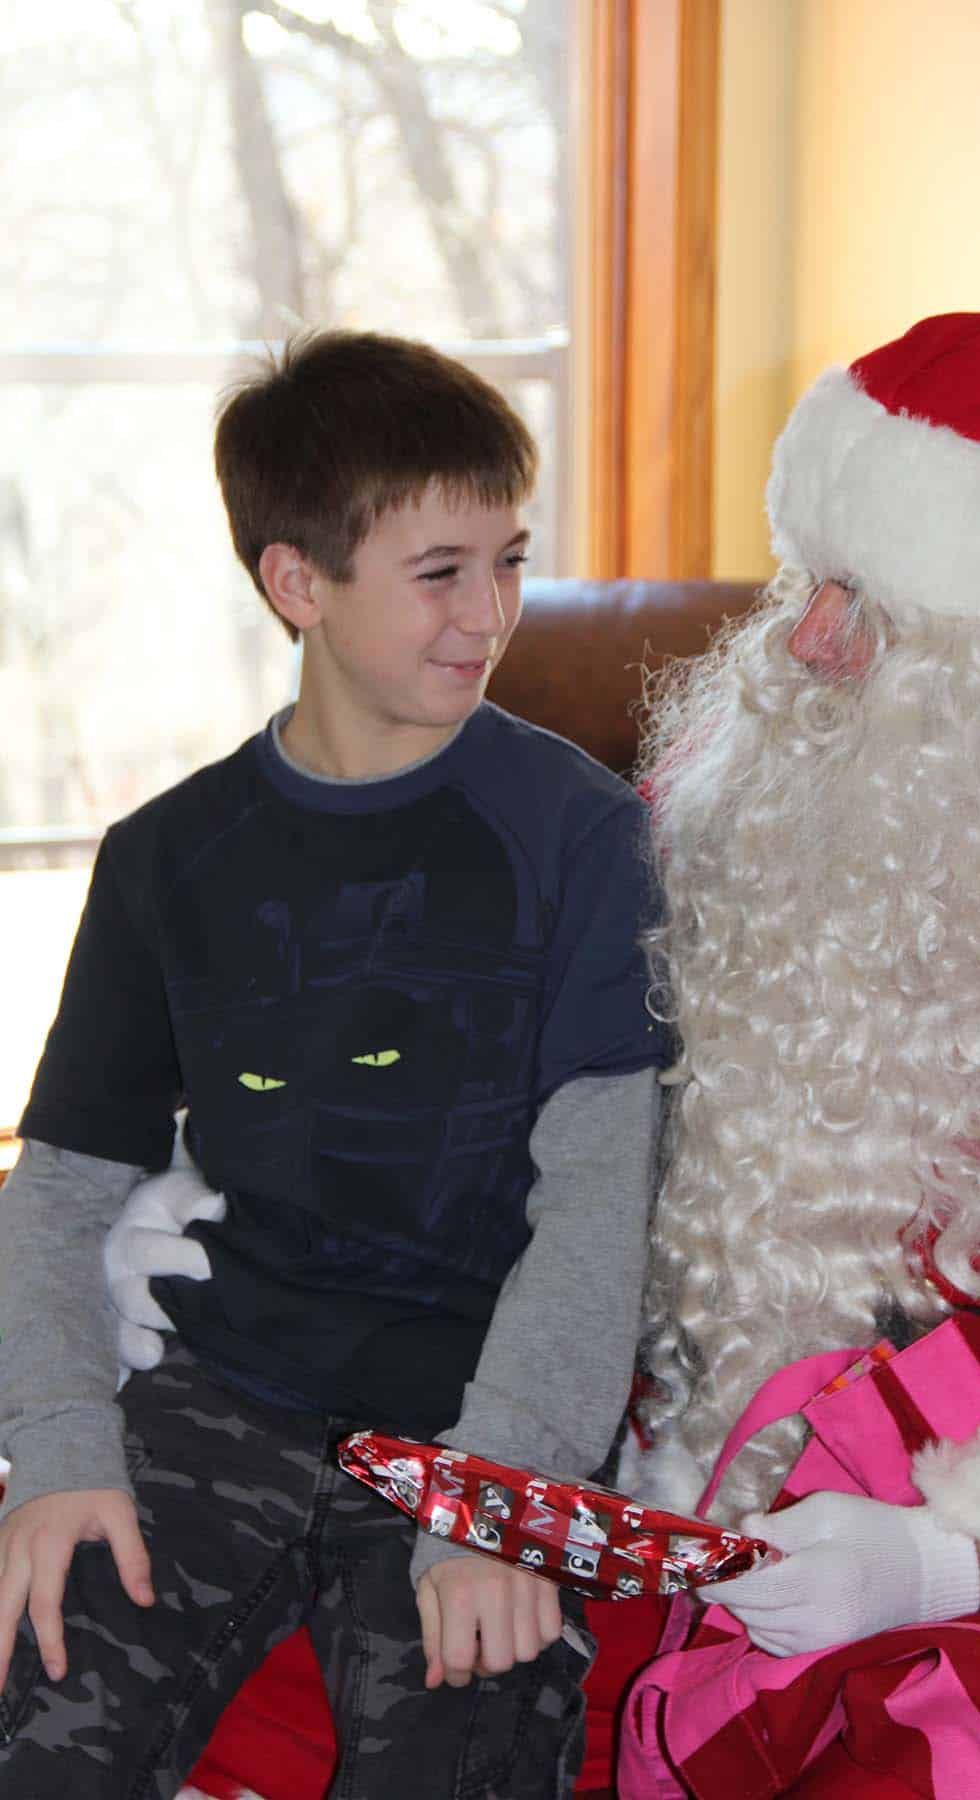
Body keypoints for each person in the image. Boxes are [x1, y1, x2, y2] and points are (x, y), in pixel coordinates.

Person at [0, 330, 666, 1798]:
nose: (491, 612)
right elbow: (55, 1192)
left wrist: (499, 1497)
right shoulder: (169, 857)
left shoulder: (582, 837)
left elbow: (600, 1204)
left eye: (510, 559)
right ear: (297, 582)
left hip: (472, 1416)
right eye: (442, 572)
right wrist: (54, 1452)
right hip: (220, 1391)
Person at [617, 282, 980, 1796]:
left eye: (863, 607)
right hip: (706, 1474)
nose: (799, 647)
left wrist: (965, 1558)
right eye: (805, 579)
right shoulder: (727, 818)